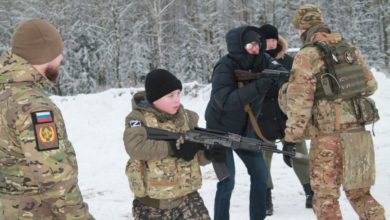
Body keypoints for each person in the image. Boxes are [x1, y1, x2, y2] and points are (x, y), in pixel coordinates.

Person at [282, 4, 386, 219]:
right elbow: (370, 86)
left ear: (301, 29)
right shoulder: (349, 50)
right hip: (358, 133)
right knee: (360, 194)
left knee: (325, 197)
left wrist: (291, 137)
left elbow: (300, 102)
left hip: (329, 136)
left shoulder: (307, 55)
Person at [0, 19, 94, 219]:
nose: (61, 57)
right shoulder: (33, 107)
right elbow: (55, 177)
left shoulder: (5, 93)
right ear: (44, 53)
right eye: (58, 52)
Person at [205, 25, 287, 220]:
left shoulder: (263, 59)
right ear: (240, 46)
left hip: (245, 130)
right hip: (220, 131)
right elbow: (225, 101)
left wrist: (265, 76)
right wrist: (259, 85)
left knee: (260, 175)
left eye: (258, 44)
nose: (256, 49)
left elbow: (282, 72)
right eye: (251, 45)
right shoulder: (225, 66)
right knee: (227, 181)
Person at [123, 69, 226, 220]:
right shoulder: (138, 118)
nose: (177, 100)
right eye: (170, 95)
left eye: (178, 93)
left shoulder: (187, 118)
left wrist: (208, 154)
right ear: (155, 98)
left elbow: (193, 155)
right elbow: (135, 147)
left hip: (188, 199)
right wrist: (173, 147)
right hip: (153, 204)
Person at [258, 24, 313, 215]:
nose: (270, 44)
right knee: (262, 159)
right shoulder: (252, 64)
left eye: (273, 40)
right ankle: (265, 197)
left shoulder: (290, 61)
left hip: (287, 118)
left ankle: (310, 191)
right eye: (266, 41)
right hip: (261, 120)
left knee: (300, 155)